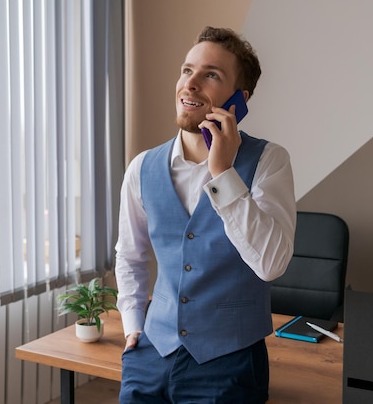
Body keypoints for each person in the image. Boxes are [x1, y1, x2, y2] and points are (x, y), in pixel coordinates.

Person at [114, 26, 297, 404]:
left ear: (238, 100)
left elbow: (271, 264)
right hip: (151, 353)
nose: (191, 83)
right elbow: (130, 256)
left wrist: (223, 173)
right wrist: (133, 326)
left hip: (229, 364)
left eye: (211, 75)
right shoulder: (142, 168)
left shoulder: (269, 161)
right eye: (187, 70)